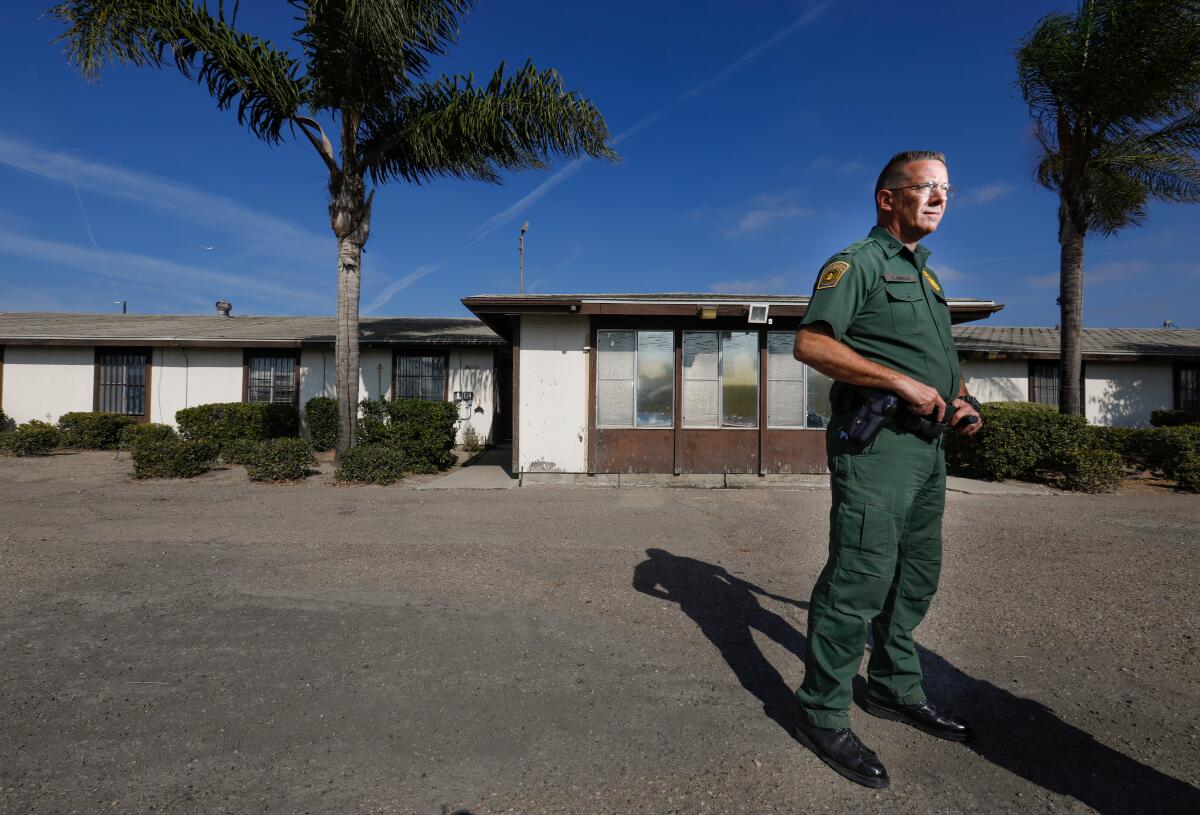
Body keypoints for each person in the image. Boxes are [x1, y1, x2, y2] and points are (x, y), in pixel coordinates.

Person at [790, 150, 983, 789]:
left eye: (947, 189)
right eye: (926, 187)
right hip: (876, 448)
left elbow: (925, 360)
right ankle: (820, 712)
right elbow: (811, 343)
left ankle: (894, 686)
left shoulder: (926, 277)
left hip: (926, 448)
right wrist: (900, 382)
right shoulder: (859, 263)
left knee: (915, 573)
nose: (940, 198)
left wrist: (956, 400)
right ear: (887, 197)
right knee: (861, 576)